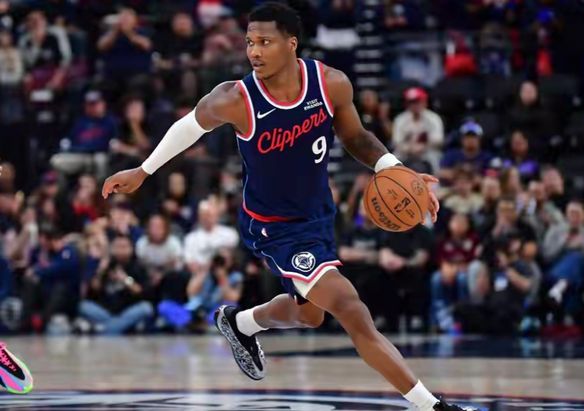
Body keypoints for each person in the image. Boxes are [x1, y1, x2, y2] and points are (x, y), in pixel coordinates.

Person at [101, 4, 461, 411]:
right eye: (249, 42)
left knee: (310, 316)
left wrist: (396, 169)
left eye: (265, 42)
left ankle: (239, 322)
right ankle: (432, 407)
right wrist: (144, 170)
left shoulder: (330, 84)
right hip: (274, 225)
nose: (254, 51)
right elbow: (189, 126)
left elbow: (356, 137)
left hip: (318, 215)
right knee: (350, 308)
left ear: (291, 44)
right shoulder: (236, 98)